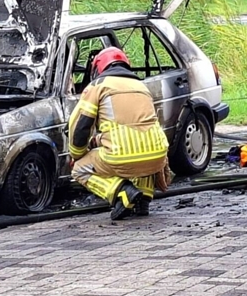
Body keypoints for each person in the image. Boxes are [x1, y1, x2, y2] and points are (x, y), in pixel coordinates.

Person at [67, 47, 171, 220]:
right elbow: (134, 127)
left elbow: (80, 125)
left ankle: (122, 192)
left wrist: (77, 154)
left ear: (98, 68)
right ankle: (143, 198)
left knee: (79, 170)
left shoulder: (98, 86)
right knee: (143, 152)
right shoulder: (142, 86)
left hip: (119, 156)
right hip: (158, 155)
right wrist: (99, 140)